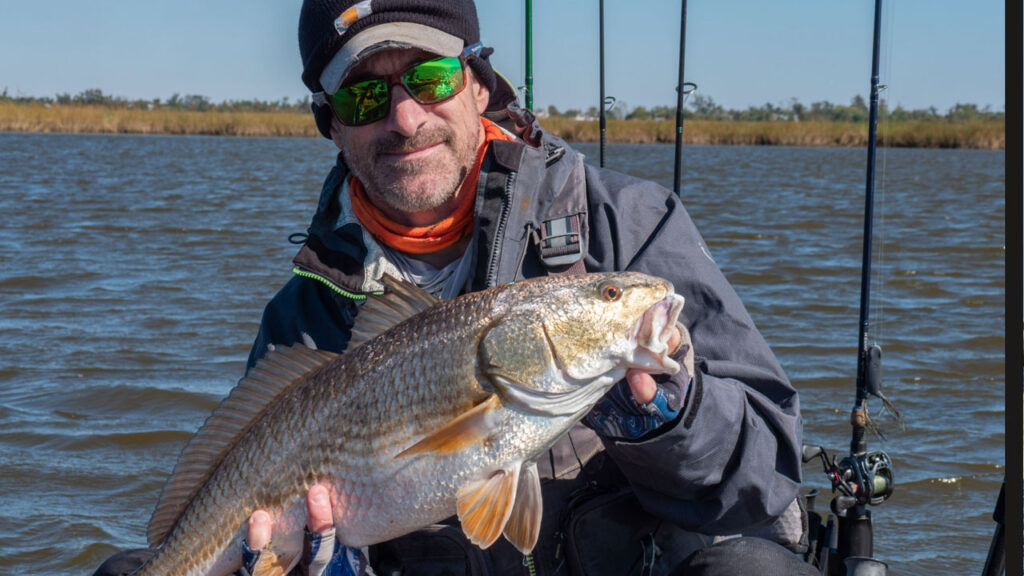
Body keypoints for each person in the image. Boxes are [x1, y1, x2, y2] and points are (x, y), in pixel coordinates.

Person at [95, 1, 816, 575]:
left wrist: (671, 419)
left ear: (478, 84)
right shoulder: (304, 314)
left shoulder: (626, 222)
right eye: (367, 95)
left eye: (432, 80)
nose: (405, 118)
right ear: (332, 126)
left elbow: (767, 473)